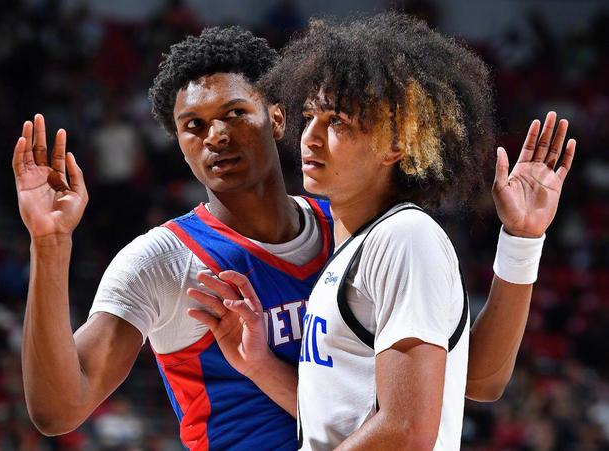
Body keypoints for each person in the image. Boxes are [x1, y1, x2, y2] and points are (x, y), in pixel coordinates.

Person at [12, 25, 570, 451]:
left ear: (278, 118)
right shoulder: (162, 260)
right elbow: (58, 410)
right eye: (193, 126)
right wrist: (50, 243)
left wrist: (521, 241)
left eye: (235, 112)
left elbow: (464, 382)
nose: (217, 136)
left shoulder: (358, 231)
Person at [186, 14, 576, 451]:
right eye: (311, 116)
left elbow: (406, 431)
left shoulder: (404, 237)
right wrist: (260, 366)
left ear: (395, 145)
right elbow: (478, 380)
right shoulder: (358, 244)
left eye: (337, 122)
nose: (310, 137)